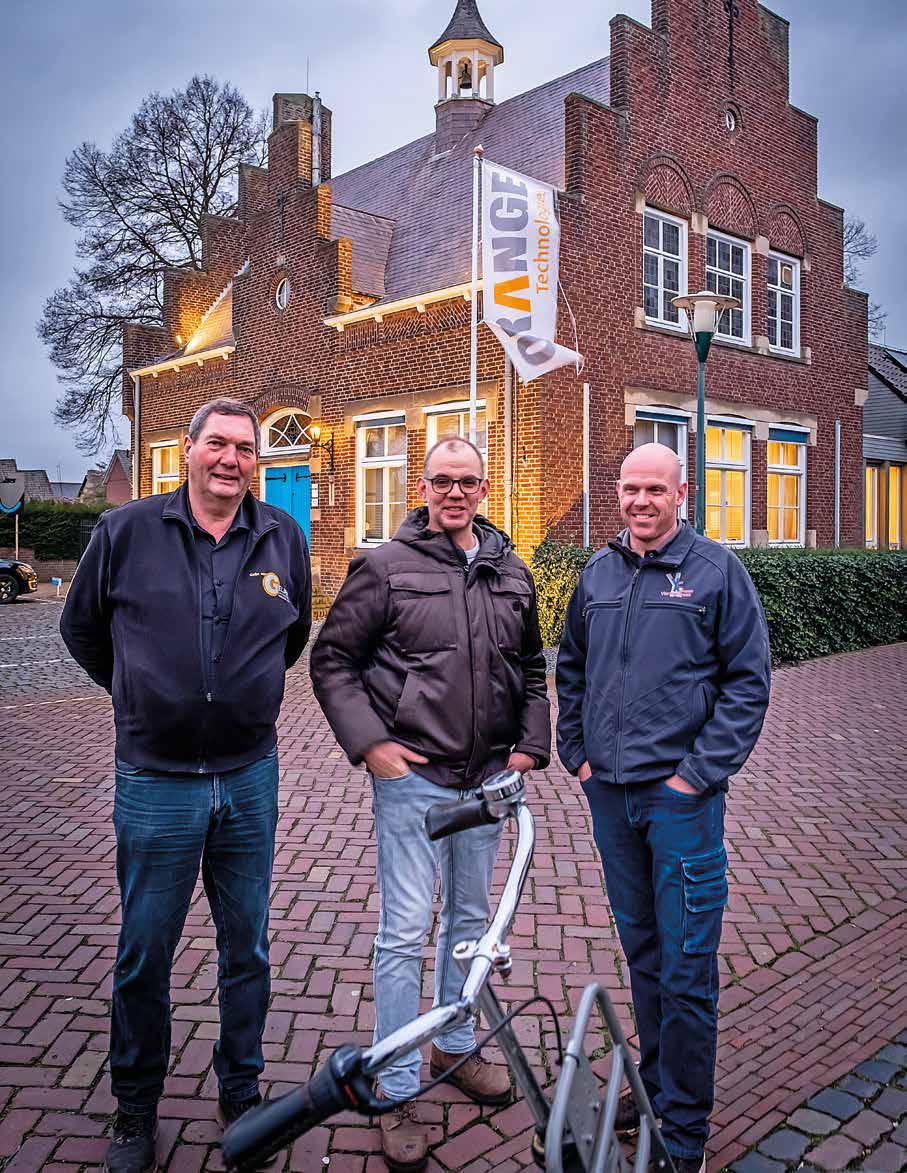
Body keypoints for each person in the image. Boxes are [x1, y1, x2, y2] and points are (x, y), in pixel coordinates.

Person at [61, 397, 311, 1173]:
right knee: (145, 951)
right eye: (217, 444)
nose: (231, 459)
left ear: (255, 461)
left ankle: (241, 1092)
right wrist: (139, 693)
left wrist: (240, 698)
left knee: (248, 947)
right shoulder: (125, 531)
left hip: (248, 775)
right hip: (156, 780)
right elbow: (81, 629)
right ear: (188, 448)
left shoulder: (282, 536)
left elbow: (292, 635)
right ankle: (136, 1107)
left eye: (244, 447)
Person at [310, 436, 550, 1172]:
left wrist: (530, 743)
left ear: (484, 489)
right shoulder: (385, 566)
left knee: (471, 924)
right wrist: (370, 745)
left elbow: (532, 667)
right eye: (442, 480)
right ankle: (396, 1083)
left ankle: (455, 1044)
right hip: (413, 780)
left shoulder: (511, 570)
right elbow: (332, 659)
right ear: (423, 486)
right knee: (405, 930)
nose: (454, 492)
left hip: (486, 781)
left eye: (467, 481)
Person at [556, 442, 771, 1173]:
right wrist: (578, 754)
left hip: (680, 804)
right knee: (644, 956)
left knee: (685, 967)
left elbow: (748, 682)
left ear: (682, 494)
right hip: (611, 800)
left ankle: (682, 1134)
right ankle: (654, 1087)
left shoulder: (715, 572)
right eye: (630, 488)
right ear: (617, 492)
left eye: (655, 489)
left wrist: (695, 776)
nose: (640, 501)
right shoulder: (598, 572)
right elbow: (572, 667)